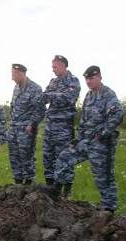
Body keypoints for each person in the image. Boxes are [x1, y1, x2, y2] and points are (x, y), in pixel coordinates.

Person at [54, 66, 124, 211]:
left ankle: (109, 210)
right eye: (86, 79)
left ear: (99, 77)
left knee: (103, 178)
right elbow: (84, 120)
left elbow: (118, 114)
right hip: (86, 141)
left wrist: (103, 133)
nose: (88, 81)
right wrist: (78, 138)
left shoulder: (108, 94)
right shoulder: (89, 95)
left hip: (101, 144)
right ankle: (59, 193)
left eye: (91, 78)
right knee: (64, 157)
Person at [42, 55, 81, 186]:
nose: (53, 69)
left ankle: (65, 194)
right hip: (50, 127)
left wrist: (50, 95)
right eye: (52, 67)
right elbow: (44, 98)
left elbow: (67, 98)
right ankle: (50, 190)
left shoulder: (73, 81)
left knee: (64, 160)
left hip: (64, 129)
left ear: (63, 65)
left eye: (55, 66)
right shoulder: (53, 81)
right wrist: (52, 95)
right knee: (48, 158)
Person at [8, 63, 45, 184]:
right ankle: (17, 184)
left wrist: (31, 124)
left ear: (21, 73)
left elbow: (40, 110)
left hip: (26, 130)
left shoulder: (35, 88)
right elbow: (13, 107)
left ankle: (29, 185)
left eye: (13, 74)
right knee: (14, 156)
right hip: (14, 128)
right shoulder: (16, 88)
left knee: (26, 157)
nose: (12, 77)